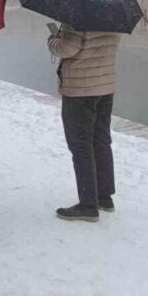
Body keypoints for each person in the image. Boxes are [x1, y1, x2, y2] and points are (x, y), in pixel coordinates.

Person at [47, 26, 121, 222]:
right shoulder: (112, 17)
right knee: (101, 140)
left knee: (80, 144)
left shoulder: (77, 18)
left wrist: (53, 40)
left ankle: (88, 204)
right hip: (104, 87)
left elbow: (68, 48)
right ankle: (104, 197)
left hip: (80, 89)